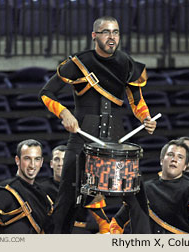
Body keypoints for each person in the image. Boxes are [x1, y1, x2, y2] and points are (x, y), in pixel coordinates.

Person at [39, 16, 156, 233]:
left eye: (116, 32)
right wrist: (64, 113)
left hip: (116, 136)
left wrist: (145, 119)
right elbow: (46, 93)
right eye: (106, 32)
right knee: (67, 197)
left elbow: (137, 101)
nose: (112, 37)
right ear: (94, 36)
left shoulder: (126, 63)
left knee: (136, 195)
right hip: (82, 134)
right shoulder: (79, 62)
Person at [111, 139, 189, 234]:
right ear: (161, 160)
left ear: (185, 166)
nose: (174, 159)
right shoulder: (144, 189)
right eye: (170, 154)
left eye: (180, 157)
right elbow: (117, 222)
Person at [0, 139, 54, 234]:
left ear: (41, 162)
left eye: (37, 159)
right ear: (17, 160)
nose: (32, 165)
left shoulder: (43, 192)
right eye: (27, 158)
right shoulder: (6, 191)